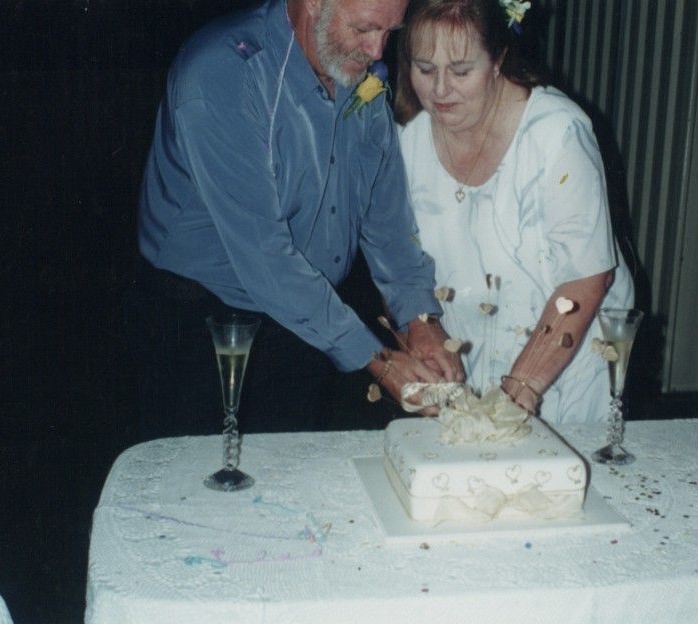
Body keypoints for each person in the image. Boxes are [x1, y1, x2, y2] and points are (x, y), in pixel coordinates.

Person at [127, 0, 463, 440]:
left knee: (284, 486)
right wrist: (379, 362)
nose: (378, 51)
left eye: (389, 32)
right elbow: (267, 259)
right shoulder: (223, 75)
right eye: (365, 29)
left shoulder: (354, 67)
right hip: (201, 323)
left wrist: (420, 321)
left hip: (311, 316)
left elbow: (387, 223)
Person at [393, 0, 635, 424]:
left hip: (560, 364)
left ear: (499, 58)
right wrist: (418, 329)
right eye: (425, 69)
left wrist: (520, 388)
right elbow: (395, 261)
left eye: (462, 70)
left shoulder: (557, 132)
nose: (440, 90)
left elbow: (588, 277)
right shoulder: (408, 141)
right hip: (466, 364)